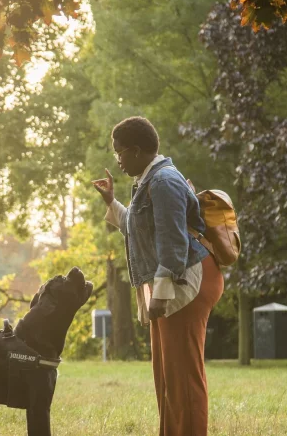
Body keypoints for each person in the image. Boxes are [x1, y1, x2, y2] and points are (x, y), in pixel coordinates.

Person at [91, 116, 224, 436]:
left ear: (136, 150)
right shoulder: (150, 181)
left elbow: (173, 241)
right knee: (167, 377)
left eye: (119, 152)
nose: (118, 160)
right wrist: (111, 201)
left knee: (183, 378)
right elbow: (139, 231)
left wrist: (160, 294)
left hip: (186, 282)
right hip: (173, 280)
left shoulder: (164, 182)